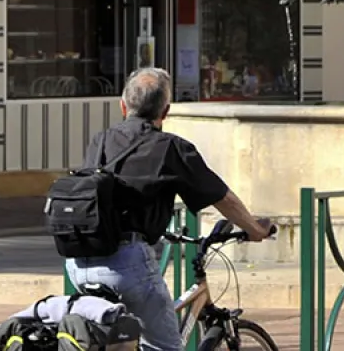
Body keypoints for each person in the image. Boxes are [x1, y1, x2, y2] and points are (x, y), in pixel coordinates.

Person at [65, 67, 273, 351]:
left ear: (123, 105)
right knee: (164, 346)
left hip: (80, 264)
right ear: (166, 111)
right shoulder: (170, 148)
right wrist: (254, 228)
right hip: (127, 265)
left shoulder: (100, 141)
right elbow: (223, 198)